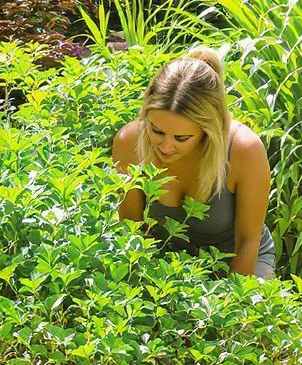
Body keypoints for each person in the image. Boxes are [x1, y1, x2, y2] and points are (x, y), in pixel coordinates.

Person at [111, 48, 276, 278]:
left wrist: (228, 306)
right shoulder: (129, 143)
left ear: (208, 130)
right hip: (165, 266)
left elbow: (247, 243)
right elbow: (131, 231)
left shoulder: (243, 150)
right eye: (156, 131)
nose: (166, 147)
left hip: (236, 265)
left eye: (181, 138)